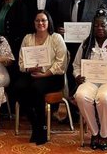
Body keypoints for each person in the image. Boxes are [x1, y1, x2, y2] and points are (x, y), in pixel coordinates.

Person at [73, 8, 107, 150]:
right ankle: (94, 132)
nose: (99, 28)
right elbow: (76, 65)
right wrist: (78, 75)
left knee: (104, 97)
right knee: (81, 95)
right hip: (90, 81)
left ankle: (104, 134)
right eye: (96, 25)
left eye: (103, 25)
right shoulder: (86, 44)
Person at [13, 10, 68, 145]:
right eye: (37, 20)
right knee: (18, 87)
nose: (40, 23)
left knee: (36, 89)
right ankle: (36, 125)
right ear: (34, 23)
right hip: (32, 73)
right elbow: (21, 63)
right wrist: (29, 68)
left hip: (52, 76)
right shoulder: (28, 38)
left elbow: (61, 63)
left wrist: (45, 74)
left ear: (49, 22)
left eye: (43, 20)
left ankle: (42, 127)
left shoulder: (56, 38)